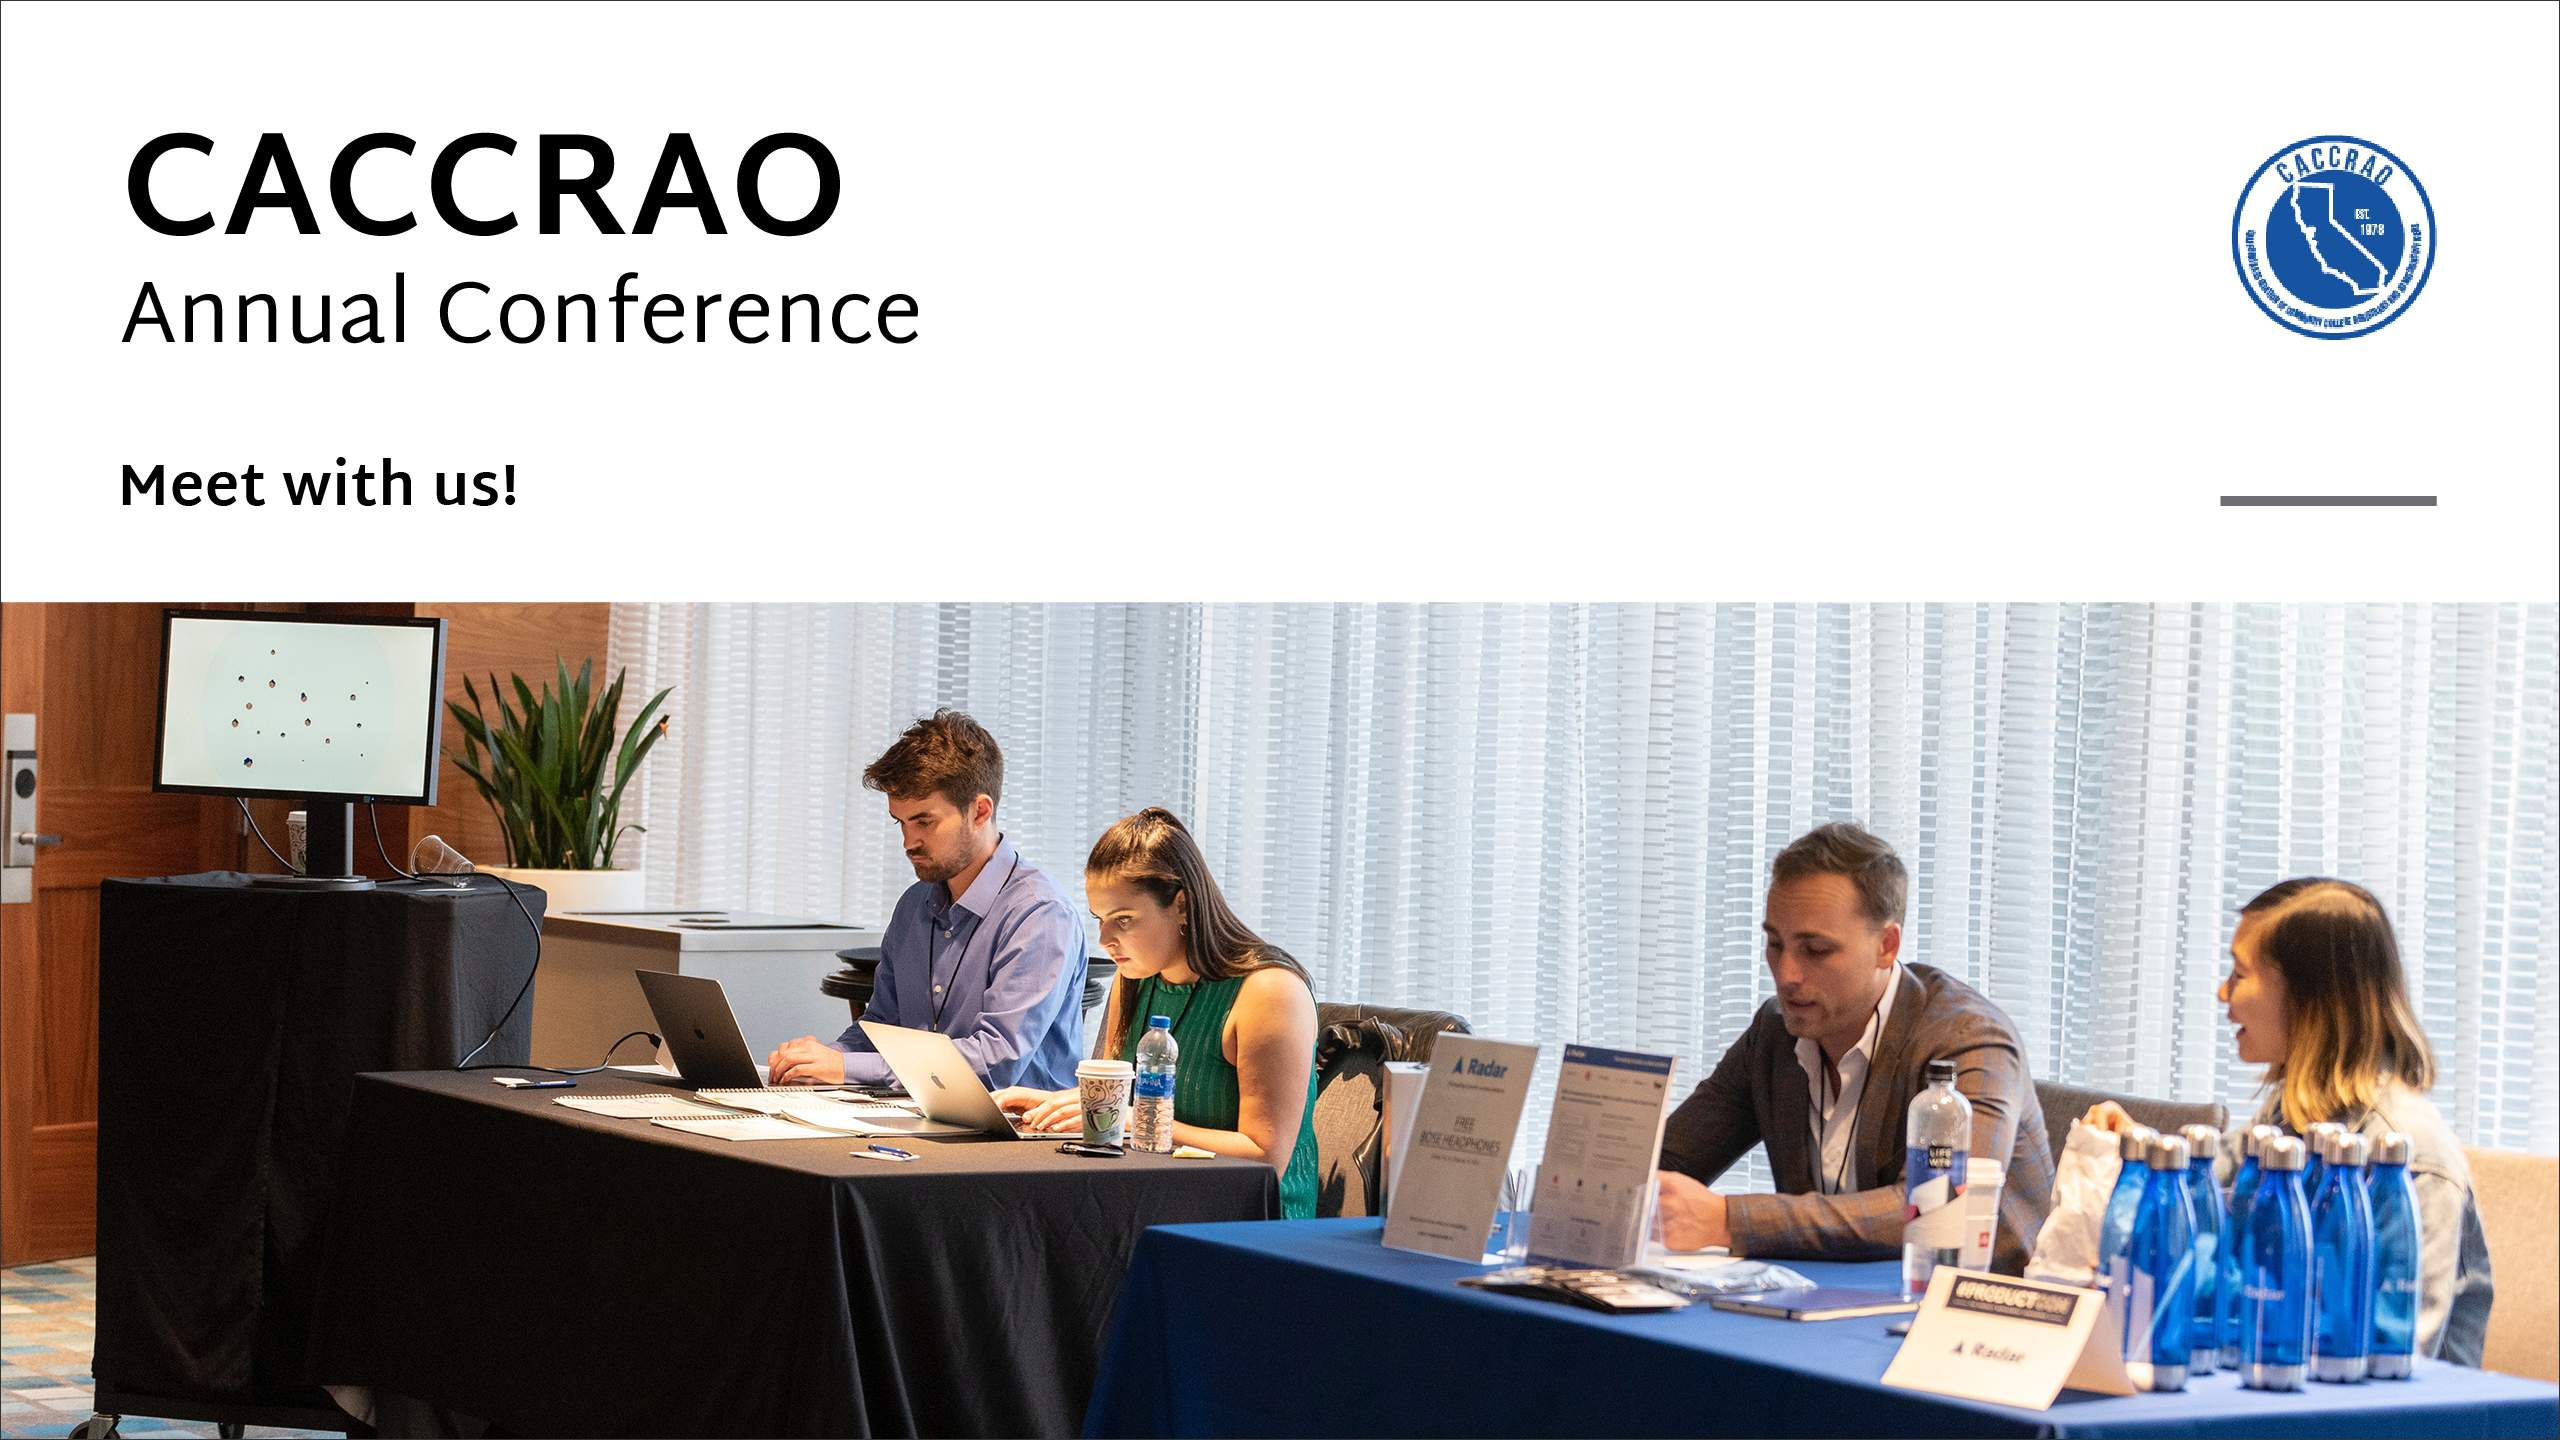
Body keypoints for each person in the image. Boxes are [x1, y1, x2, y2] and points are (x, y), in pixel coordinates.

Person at [2082, 877, 2492, 1365]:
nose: (2221, 992)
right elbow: (2205, 1197)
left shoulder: (2411, 1156)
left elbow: (2399, 1352)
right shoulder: (2288, 1116)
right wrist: (2139, 1151)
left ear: (2310, 998)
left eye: (2238, 974)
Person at [1652, 823, 2055, 1269]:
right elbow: (1667, 1162)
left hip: (1979, 1310)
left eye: (1816, 951)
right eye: (1774, 943)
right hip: (1826, 1303)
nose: (1786, 974)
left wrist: (1732, 1220)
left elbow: (1938, 1207)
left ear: (1886, 946)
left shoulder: (1968, 1041)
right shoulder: (1774, 1034)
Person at [997, 808, 1323, 1217]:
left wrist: (1139, 1122)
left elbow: (1264, 1157)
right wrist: (1060, 1105)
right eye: (1100, 919)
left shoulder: (1270, 991)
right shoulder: (1135, 976)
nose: (1105, 939)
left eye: (1125, 920)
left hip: (1249, 1225)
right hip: (1153, 1200)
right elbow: (1123, 1107)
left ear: (1182, 905)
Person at [764, 710, 1086, 1090]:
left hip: (1013, 1137)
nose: (908, 842)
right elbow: (880, 1029)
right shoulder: (914, 905)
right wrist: (818, 1062)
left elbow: (995, 1062)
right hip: (920, 1120)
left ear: (980, 811)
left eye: (924, 822)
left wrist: (844, 1068)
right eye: (900, 822)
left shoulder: (1039, 913)